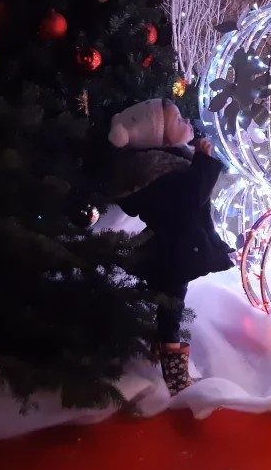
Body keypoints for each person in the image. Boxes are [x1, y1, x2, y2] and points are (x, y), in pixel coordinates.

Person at [107, 98, 234, 394]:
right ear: (159, 136)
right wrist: (202, 161)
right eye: (177, 121)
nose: (186, 122)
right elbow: (191, 198)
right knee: (172, 305)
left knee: (170, 300)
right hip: (174, 250)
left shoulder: (170, 160)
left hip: (177, 246)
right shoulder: (161, 171)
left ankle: (162, 349)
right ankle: (174, 372)